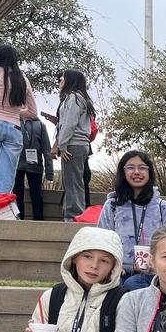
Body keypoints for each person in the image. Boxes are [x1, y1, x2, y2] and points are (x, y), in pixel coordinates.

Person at [97, 150, 166, 291]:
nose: (136, 172)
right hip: (118, 270)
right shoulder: (112, 205)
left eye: (142, 168)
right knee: (116, 285)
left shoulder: (163, 208)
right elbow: (102, 240)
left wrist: (157, 264)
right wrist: (113, 265)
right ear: (123, 172)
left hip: (154, 273)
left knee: (131, 285)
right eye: (130, 167)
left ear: (149, 172)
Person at [0, 44, 37, 198]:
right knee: (6, 172)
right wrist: (15, 112)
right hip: (15, 127)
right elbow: (33, 112)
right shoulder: (23, 79)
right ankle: (1, 205)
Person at [52, 70, 96, 221]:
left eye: (62, 79)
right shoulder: (82, 98)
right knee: (76, 182)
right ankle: (77, 215)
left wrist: (61, 145)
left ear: (70, 80)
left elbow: (70, 123)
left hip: (73, 144)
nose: (60, 82)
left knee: (72, 184)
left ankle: (73, 217)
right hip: (80, 144)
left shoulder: (73, 98)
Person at [13, 114, 54, 220]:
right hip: (17, 165)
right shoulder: (14, 121)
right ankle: (19, 219)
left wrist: (49, 172)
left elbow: (46, 149)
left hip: (35, 166)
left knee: (36, 195)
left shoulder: (40, 125)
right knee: (18, 195)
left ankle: (38, 221)